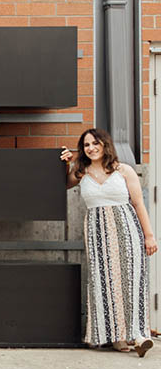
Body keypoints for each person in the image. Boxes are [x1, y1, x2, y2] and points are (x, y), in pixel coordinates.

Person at [61, 128, 156, 356]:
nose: (91, 148)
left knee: (132, 281)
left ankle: (138, 335)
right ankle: (116, 337)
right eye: (86, 145)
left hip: (127, 230)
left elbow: (138, 203)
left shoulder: (124, 170)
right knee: (105, 282)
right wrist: (67, 163)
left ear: (105, 145)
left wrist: (149, 235)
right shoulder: (81, 172)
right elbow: (64, 184)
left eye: (95, 143)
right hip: (97, 233)